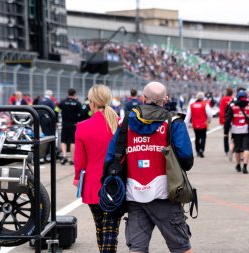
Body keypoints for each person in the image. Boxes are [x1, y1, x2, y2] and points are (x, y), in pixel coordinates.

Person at [105, 81, 194, 253]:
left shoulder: (125, 123)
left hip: (134, 194)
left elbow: (110, 158)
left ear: (143, 98)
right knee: (181, 247)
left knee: (137, 248)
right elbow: (186, 159)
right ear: (165, 100)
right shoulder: (174, 121)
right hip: (165, 194)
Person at [73, 84, 120, 253]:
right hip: (116, 183)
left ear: (91, 102)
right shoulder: (119, 124)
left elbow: (79, 160)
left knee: (100, 227)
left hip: (93, 184)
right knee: (110, 229)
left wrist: (78, 178)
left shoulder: (83, 126)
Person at [224, 90, 249, 174]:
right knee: (246, 148)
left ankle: (238, 165)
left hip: (236, 130)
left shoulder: (232, 106)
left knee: (238, 150)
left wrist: (226, 131)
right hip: (247, 131)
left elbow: (227, 120)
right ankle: (245, 166)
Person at [58, 88, 83, 165]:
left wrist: (56, 120)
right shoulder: (78, 103)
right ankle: (72, 159)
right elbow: (81, 114)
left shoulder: (62, 102)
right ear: (74, 94)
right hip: (74, 125)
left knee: (63, 140)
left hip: (64, 124)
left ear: (68, 93)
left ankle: (64, 156)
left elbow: (56, 110)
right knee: (73, 142)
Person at [184, 91, 213, 158]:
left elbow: (188, 116)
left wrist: (185, 124)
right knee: (203, 137)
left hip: (195, 124)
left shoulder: (191, 105)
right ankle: (201, 150)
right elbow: (210, 114)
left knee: (197, 137)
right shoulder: (205, 104)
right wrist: (209, 120)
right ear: (203, 98)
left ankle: (197, 150)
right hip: (203, 124)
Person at [219, 87, 233, 155]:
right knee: (234, 135)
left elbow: (221, 111)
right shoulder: (233, 99)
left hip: (226, 119)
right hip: (233, 119)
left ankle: (226, 150)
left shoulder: (223, 99)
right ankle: (233, 148)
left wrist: (222, 120)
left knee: (226, 135)